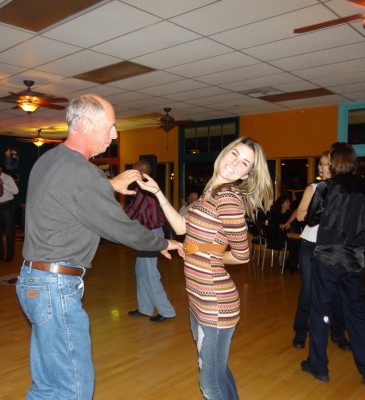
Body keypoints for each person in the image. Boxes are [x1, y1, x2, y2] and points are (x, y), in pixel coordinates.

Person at [16, 93, 183, 400]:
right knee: (74, 389)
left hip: (34, 282)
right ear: (87, 125)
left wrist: (106, 186)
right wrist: (163, 241)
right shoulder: (82, 172)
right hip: (55, 288)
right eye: (111, 126)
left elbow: (65, 198)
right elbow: (119, 227)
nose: (115, 134)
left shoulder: (50, 160)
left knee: (47, 386)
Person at [137, 137, 273, 399]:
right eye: (234, 154)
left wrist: (203, 253)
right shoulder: (211, 193)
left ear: (247, 174)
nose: (235, 163)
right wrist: (157, 192)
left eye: (244, 162)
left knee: (210, 383)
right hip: (198, 296)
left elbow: (242, 255)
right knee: (216, 371)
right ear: (224, 153)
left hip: (216, 302)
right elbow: (182, 229)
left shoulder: (228, 199)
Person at [301, 142, 365, 386]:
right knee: (358, 316)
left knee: (320, 312)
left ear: (335, 160)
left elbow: (311, 219)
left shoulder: (326, 187)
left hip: (328, 259)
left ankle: (318, 366)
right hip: (355, 262)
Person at [292, 151, 350, 350]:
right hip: (310, 245)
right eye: (324, 164)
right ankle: (300, 331)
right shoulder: (314, 188)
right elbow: (300, 216)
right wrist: (320, 211)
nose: (326, 168)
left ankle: (337, 332)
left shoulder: (345, 191)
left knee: (335, 291)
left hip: (334, 247)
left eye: (330, 164)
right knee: (308, 289)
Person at [125, 159, 176, 323]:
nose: (130, 174)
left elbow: (132, 212)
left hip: (152, 235)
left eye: (132, 171)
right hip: (146, 235)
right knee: (141, 272)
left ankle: (167, 311)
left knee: (150, 274)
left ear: (140, 173)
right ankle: (145, 308)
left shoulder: (145, 191)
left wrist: (113, 219)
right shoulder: (145, 189)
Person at [0, 161, 19, 262]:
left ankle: (10, 255)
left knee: (9, 231)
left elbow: (16, 191)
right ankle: (0, 254)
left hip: (8, 205)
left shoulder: (8, 178)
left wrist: (3, 185)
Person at [266, 194, 300, 272]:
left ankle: (289, 265)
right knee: (295, 244)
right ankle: (290, 265)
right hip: (275, 240)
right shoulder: (274, 214)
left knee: (297, 243)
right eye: (287, 202)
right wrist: (279, 226)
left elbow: (290, 225)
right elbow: (272, 226)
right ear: (282, 204)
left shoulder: (288, 214)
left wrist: (289, 226)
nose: (289, 204)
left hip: (283, 239)